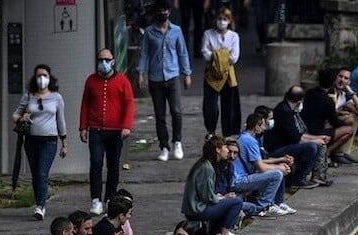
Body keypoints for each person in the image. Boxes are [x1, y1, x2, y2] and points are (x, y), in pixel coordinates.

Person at [79, 48, 135, 216]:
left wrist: (126, 125)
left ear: (113, 61)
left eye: (106, 59)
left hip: (116, 130)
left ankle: (109, 197)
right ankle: (95, 199)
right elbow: (85, 104)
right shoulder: (91, 81)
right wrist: (83, 127)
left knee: (113, 165)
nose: (103, 63)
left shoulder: (122, 80)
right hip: (96, 129)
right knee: (96, 163)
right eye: (100, 59)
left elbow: (129, 104)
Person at [137, 0, 193, 162]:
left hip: (173, 76)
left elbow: (182, 52)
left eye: (166, 10)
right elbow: (144, 53)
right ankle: (164, 146)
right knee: (160, 115)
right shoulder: (149, 32)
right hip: (155, 78)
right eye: (160, 10)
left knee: (176, 111)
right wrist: (141, 73)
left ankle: (177, 141)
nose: (163, 13)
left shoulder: (176, 31)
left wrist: (186, 73)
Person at [12, 64, 69, 220]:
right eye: (38, 76)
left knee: (42, 173)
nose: (41, 79)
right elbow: (15, 115)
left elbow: (61, 120)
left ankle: (41, 206)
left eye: (44, 75)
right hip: (31, 140)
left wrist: (64, 142)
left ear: (50, 78)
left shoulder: (56, 98)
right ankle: (39, 201)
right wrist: (21, 118)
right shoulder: (29, 96)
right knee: (36, 174)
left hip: (49, 141)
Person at [182, 135, 250, 235]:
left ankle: (218, 233)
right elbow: (207, 197)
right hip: (197, 209)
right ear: (218, 150)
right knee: (236, 202)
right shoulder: (206, 167)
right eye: (225, 148)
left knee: (229, 202)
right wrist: (222, 198)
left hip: (195, 208)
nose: (227, 150)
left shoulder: (204, 164)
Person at [232, 114, 296, 217]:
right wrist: (279, 168)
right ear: (256, 127)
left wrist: (280, 160)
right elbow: (261, 167)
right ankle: (263, 207)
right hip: (239, 180)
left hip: (241, 177)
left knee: (279, 168)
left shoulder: (243, 137)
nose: (264, 128)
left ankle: (276, 203)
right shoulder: (250, 141)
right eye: (263, 125)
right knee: (277, 174)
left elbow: (259, 161)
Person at [263, 86, 325, 190]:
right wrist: (315, 141)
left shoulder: (285, 108)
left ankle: (315, 176)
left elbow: (297, 134)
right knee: (311, 147)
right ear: (300, 100)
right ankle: (299, 179)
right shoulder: (285, 112)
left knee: (315, 144)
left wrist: (317, 138)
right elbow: (296, 138)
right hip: (276, 149)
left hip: (283, 145)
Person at [201, 6, 241, 137]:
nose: (222, 21)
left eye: (225, 19)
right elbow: (205, 53)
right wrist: (224, 55)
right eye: (220, 18)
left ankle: (229, 135)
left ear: (229, 21)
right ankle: (211, 131)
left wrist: (216, 55)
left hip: (228, 75)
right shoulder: (208, 34)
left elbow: (234, 57)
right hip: (211, 74)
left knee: (230, 107)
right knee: (210, 107)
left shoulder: (234, 36)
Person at [328, 67, 358, 166]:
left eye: (346, 78)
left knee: (355, 116)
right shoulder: (329, 91)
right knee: (349, 119)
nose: (342, 80)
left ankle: (341, 152)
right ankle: (335, 154)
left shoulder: (343, 95)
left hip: (333, 125)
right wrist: (340, 113)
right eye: (340, 76)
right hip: (324, 125)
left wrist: (350, 91)